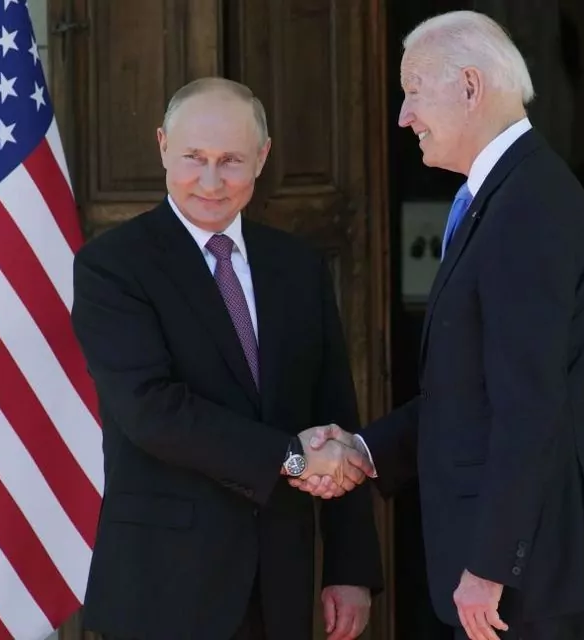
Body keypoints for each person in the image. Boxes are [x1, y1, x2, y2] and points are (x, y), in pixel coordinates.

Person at [292, 10, 584, 640]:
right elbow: (472, 391)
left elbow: (529, 403)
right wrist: (364, 451)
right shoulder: (503, 194)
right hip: (519, 575)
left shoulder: (525, 205)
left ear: (471, 87)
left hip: (527, 578)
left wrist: (491, 564)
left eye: (413, 91)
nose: (404, 116)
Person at [70, 77, 384, 640]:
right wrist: (291, 458)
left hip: (280, 583)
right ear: (163, 146)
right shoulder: (112, 267)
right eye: (194, 157)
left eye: (232, 161)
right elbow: (152, 411)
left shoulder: (298, 266)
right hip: (164, 589)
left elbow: (335, 411)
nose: (211, 182)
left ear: (262, 158)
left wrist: (350, 567)